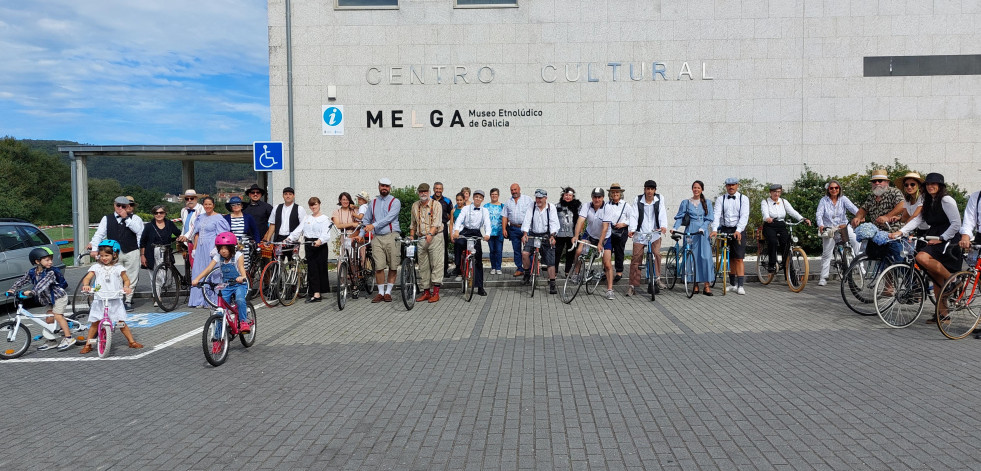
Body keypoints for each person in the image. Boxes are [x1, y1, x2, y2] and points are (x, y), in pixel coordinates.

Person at [890, 173, 961, 322]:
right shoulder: (928, 200)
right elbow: (918, 220)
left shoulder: (946, 200)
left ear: (940, 186)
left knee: (921, 257)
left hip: (948, 238)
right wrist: (901, 232)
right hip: (934, 236)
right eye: (928, 184)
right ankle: (943, 314)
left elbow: (956, 224)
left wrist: (942, 238)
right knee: (935, 277)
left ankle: (953, 281)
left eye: (934, 184)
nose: (930, 186)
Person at [79, 240, 143, 354]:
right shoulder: (96, 267)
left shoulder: (118, 268)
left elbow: (126, 280)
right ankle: (88, 344)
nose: (104, 258)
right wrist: (86, 285)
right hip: (100, 299)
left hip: (114, 298)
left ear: (114, 255)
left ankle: (131, 342)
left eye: (107, 255)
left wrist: (126, 287)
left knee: (121, 322)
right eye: (102, 255)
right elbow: (87, 278)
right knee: (95, 322)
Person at [6, 247, 76, 351]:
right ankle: (51, 341)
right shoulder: (32, 272)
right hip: (48, 299)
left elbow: (42, 285)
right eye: (47, 260)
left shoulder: (50, 272)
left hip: (59, 297)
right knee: (49, 319)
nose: (50, 262)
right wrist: (12, 289)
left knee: (57, 315)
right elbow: (22, 280)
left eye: (51, 259)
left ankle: (68, 338)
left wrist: (32, 292)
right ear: (37, 261)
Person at [89, 195, 143, 311]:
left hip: (131, 250)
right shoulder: (107, 218)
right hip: (114, 252)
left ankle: (128, 299)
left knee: (131, 276)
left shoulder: (135, 218)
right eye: (118, 205)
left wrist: (126, 218)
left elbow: (139, 231)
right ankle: (118, 299)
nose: (120, 208)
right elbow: (99, 234)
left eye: (123, 206)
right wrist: (94, 248)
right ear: (114, 205)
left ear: (127, 206)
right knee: (115, 275)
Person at [191, 232, 251, 332]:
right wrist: (197, 279)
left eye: (226, 248)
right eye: (220, 248)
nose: (223, 251)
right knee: (220, 309)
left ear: (231, 248)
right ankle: (218, 337)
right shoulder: (218, 257)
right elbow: (209, 268)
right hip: (226, 285)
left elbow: (241, 267)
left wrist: (243, 276)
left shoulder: (238, 255)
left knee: (240, 300)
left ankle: (243, 321)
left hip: (239, 284)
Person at [184, 196, 230, 308]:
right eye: (205, 204)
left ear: (213, 205)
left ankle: (213, 299)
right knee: (199, 271)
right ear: (203, 206)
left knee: (213, 273)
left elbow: (221, 235)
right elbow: (197, 233)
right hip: (200, 248)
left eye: (210, 204)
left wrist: (217, 248)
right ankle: (199, 300)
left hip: (212, 247)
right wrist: (194, 248)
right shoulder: (200, 217)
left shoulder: (218, 218)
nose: (208, 206)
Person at [850, 169, 905, 262]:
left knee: (899, 261)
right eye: (874, 181)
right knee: (881, 262)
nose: (877, 183)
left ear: (887, 182)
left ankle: (905, 275)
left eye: (880, 181)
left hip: (894, 232)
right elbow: (863, 209)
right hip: (878, 235)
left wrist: (887, 216)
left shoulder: (894, 192)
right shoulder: (872, 196)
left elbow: (902, 205)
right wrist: (857, 218)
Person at [363, 178, 402, 303]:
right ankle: (380, 292)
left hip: (392, 235)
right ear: (378, 186)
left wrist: (373, 225)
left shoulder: (395, 202)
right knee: (379, 266)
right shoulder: (373, 203)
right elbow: (366, 219)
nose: (384, 188)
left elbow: (389, 218)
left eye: (386, 186)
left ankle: (388, 292)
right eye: (382, 186)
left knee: (393, 265)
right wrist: (362, 233)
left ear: (390, 187)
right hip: (377, 237)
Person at [673, 181, 716, 295]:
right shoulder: (686, 202)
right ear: (692, 189)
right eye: (694, 188)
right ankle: (695, 284)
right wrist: (675, 227)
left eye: (698, 188)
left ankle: (707, 285)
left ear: (702, 189)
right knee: (692, 258)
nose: (696, 189)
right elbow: (680, 217)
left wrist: (703, 227)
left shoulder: (707, 202)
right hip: (690, 232)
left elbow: (709, 218)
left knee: (705, 257)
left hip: (702, 232)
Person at [815, 180, 860, 286]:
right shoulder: (824, 200)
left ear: (839, 189)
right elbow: (819, 213)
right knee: (827, 252)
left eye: (836, 188)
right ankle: (823, 277)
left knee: (855, 239)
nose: (834, 190)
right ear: (828, 189)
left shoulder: (843, 199)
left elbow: (853, 209)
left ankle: (859, 265)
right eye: (831, 188)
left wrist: (859, 216)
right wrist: (820, 225)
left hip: (842, 226)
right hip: (829, 228)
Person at [574, 187, 616, 300]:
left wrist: (600, 243)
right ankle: (576, 273)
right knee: (578, 251)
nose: (597, 199)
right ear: (592, 197)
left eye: (599, 197)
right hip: (590, 234)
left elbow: (605, 228)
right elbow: (580, 221)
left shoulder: (607, 208)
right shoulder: (587, 206)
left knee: (607, 264)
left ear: (603, 198)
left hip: (604, 238)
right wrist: (576, 236)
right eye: (594, 197)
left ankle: (610, 289)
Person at [287, 197, 332, 302]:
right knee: (312, 269)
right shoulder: (307, 218)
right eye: (311, 205)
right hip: (309, 244)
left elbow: (326, 232)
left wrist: (320, 240)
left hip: (320, 245)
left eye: (315, 204)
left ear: (319, 204)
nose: (313, 207)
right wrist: (289, 238)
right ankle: (315, 293)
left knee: (320, 269)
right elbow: (298, 230)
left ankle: (318, 292)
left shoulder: (325, 219)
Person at [627, 180, 668, 296]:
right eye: (647, 189)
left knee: (657, 253)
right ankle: (632, 285)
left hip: (654, 232)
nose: (650, 191)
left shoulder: (659, 199)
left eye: (652, 189)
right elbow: (634, 215)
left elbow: (662, 213)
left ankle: (657, 278)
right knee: (636, 258)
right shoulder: (638, 199)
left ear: (655, 190)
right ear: (644, 189)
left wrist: (663, 226)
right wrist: (632, 229)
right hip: (640, 233)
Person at [710, 178, 750, 295]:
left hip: (739, 229)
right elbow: (716, 215)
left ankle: (741, 285)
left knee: (739, 258)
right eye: (729, 185)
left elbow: (744, 216)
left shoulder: (744, 199)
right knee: (730, 257)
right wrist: (714, 229)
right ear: (726, 186)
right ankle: (732, 284)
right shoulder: (720, 199)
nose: (731, 187)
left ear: (737, 186)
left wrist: (738, 230)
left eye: (733, 185)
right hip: (725, 228)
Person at [760, 184, 811, 274]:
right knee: (773, 242)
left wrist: (803, 219)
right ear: (770, 192)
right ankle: (772, 264)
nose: (777, 194)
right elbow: (765, 213)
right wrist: (767, 218)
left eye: (779, 192)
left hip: (781, 224)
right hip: (770, 225)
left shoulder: (783, 201)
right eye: (774, 192)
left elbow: (792, 212)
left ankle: (787, 268)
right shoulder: (765, 202)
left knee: (786, 244)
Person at [410, 183, 445, 303]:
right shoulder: (415, 205)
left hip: (435, 237)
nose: (423, 193)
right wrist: (411, 235)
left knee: (436, 264)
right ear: (418, 193)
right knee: (423, 266)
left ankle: (435, 293)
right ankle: (426, 292)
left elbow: (437, 222)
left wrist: (430, 234)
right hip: (421, 239)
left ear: (429, 192)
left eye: (425, 191)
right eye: (421, 192)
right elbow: (413, 223)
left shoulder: (436, 205)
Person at [520, 189, 560, 294]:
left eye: (540, 198)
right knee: (524, 253)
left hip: (546, 235)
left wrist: (552, 236)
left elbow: (554, 222)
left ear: (545, 198)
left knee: (550, 261)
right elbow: (527, 220)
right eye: (537, 198)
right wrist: (525, 234)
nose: (538, 200)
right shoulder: (532, 206)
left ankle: (552, 284)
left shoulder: (551, 208)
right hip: (533, 234)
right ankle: (527, 273)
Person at [140, 205, 181, 306]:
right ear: (153, 214)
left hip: (166, 252)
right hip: (151, 253)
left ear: (165, 213)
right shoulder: (149, 226)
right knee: (154, 276)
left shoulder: (169, 224)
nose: (159, 215)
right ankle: (156, 297)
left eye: (161, 212)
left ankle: (162, 291)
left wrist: (179, 240)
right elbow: (143, 241)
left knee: (165, 277)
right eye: (156, 213)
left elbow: (178, 233)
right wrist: (142, 255)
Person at [453, 189, 491, 296]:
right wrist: (456, 231)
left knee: (478, 260)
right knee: (458, 243)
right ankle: (458, 266)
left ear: (483, 199)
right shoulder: (465, 208)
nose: (478, 199)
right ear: (473, 198)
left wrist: (487, 234)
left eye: (480, 197)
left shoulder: (485, 211)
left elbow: (487, 223)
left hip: (476, 233)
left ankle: (480, 287)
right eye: (476, 197)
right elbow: (459, 219)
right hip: (466, 231)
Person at [502, 183, 534, 277]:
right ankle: (520, 269)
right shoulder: (508, 202)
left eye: (515, 189)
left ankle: (530, 269)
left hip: (526, 229)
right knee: (516, 250)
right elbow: (504, 216)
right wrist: (504, 229)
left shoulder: (527, 200)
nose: (514, 192)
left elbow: (533, 213)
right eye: (512, 190)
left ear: (519, 189)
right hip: (513, 229)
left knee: (528, 250)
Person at [606, 183, 634, 283]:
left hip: (621, 232)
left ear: (620, 193)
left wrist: (624, 224)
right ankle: (607, 271)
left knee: (619, 251)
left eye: (617, 192)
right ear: (610, 194)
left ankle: (619, 272)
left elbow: (633, 218)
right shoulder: (606, 205)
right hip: (609, 231)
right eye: (613, 192)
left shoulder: (626, 205)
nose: (615, 194)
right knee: (607, 251)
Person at [223, 195, 261, 270]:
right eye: (233, 205)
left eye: (238, 204)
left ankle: (245, 280)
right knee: (232, 265)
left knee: (244, 266)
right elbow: (224, 232)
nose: (236, 206)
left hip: (244, 244)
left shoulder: (248, 217)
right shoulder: (226, 218)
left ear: (242, 206)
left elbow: (255, 231)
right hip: (231, 244)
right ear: (231, 207)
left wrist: (257, 243)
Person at [554, 187, 582, 277]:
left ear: (573, 197)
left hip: (572, 234)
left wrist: (579, 231)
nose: (568, 197)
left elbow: (581, 220)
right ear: (563, 196)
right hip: (559, 233)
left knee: (571, 253)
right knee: (557, 252)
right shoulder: (556, 206)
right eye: (566, 195)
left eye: (570, 195)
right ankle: (554, 271)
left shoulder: (578, 206)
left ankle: (568, 271)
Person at [431, 182, 454, 277]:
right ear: (433, 189)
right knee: (431, 249)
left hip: (442, 227)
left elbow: (451, 214)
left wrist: (443, 221)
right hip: (431, 228)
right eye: (436, 188)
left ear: (442, 190)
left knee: (443, 249)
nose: (438, 190)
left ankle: (444, 271)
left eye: (440, 189)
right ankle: (431, 270)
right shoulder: (429, 200)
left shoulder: (447, 201)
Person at [485, 188, 505, 275]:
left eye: (496, 194)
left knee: (499, 250)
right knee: (492, 250)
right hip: (490, 232)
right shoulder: (486, 206)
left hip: (499, 232)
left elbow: (505, 218)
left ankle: (498, 267)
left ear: (498, 195)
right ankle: (493, 267)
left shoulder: (502, 206)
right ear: (490, 195)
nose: (494, 196)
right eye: (492, 194)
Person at [452, 192, 466, 278]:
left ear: (464, 200)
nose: (459, 202)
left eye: (461, 200)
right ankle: (458, 267)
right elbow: (451, 223)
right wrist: (451, 234)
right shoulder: (453, 210)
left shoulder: (467, 209)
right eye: (457, 200)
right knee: (457, 248)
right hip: (457, 232)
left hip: (465, 231)